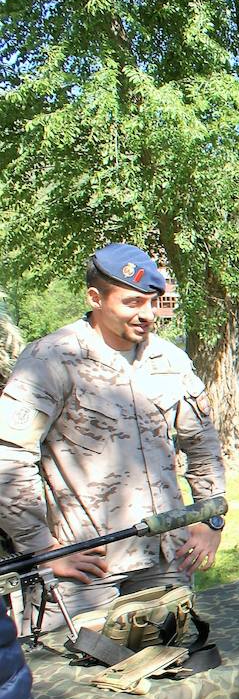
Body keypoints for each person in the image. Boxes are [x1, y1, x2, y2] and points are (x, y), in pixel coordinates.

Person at [0, 243, 227, 622]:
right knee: (81, 675)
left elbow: (203, 446)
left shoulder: (169, 361)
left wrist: (210, 519)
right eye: (133, 303)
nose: (148, 315)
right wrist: (39, 547)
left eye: (153, 302)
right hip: (88, 569)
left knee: (174, 665)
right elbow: (8, 458)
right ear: (95, 298)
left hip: (166, 556)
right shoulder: (51, 360)